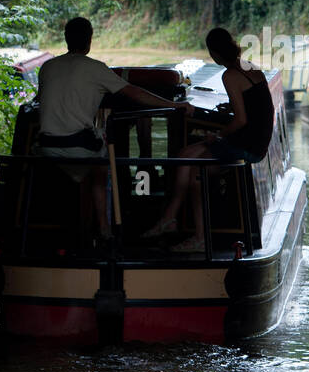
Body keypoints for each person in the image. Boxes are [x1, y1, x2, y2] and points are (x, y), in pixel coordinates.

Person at [35, 17, 191, 240]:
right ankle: (106, 229)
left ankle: (74, 228)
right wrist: (174, 105)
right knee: (100, 167)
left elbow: (42, 100)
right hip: (78, 148)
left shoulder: (47, 67)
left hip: (46, 148)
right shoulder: (96, 69)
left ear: (66, 39)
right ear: (89, 40)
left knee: (84, 158)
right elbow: (135, 94)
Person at [144, 27, 274, 252]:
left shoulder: (230, 75)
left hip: (248, 144)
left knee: (196, 171)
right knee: (184, 156)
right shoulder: (249, 67)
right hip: (258, 138)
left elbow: (241, 120)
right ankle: (170, 219)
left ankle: (200, 237)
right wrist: (230, 109)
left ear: (214, 53)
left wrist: (218, 135)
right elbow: (255, 108)